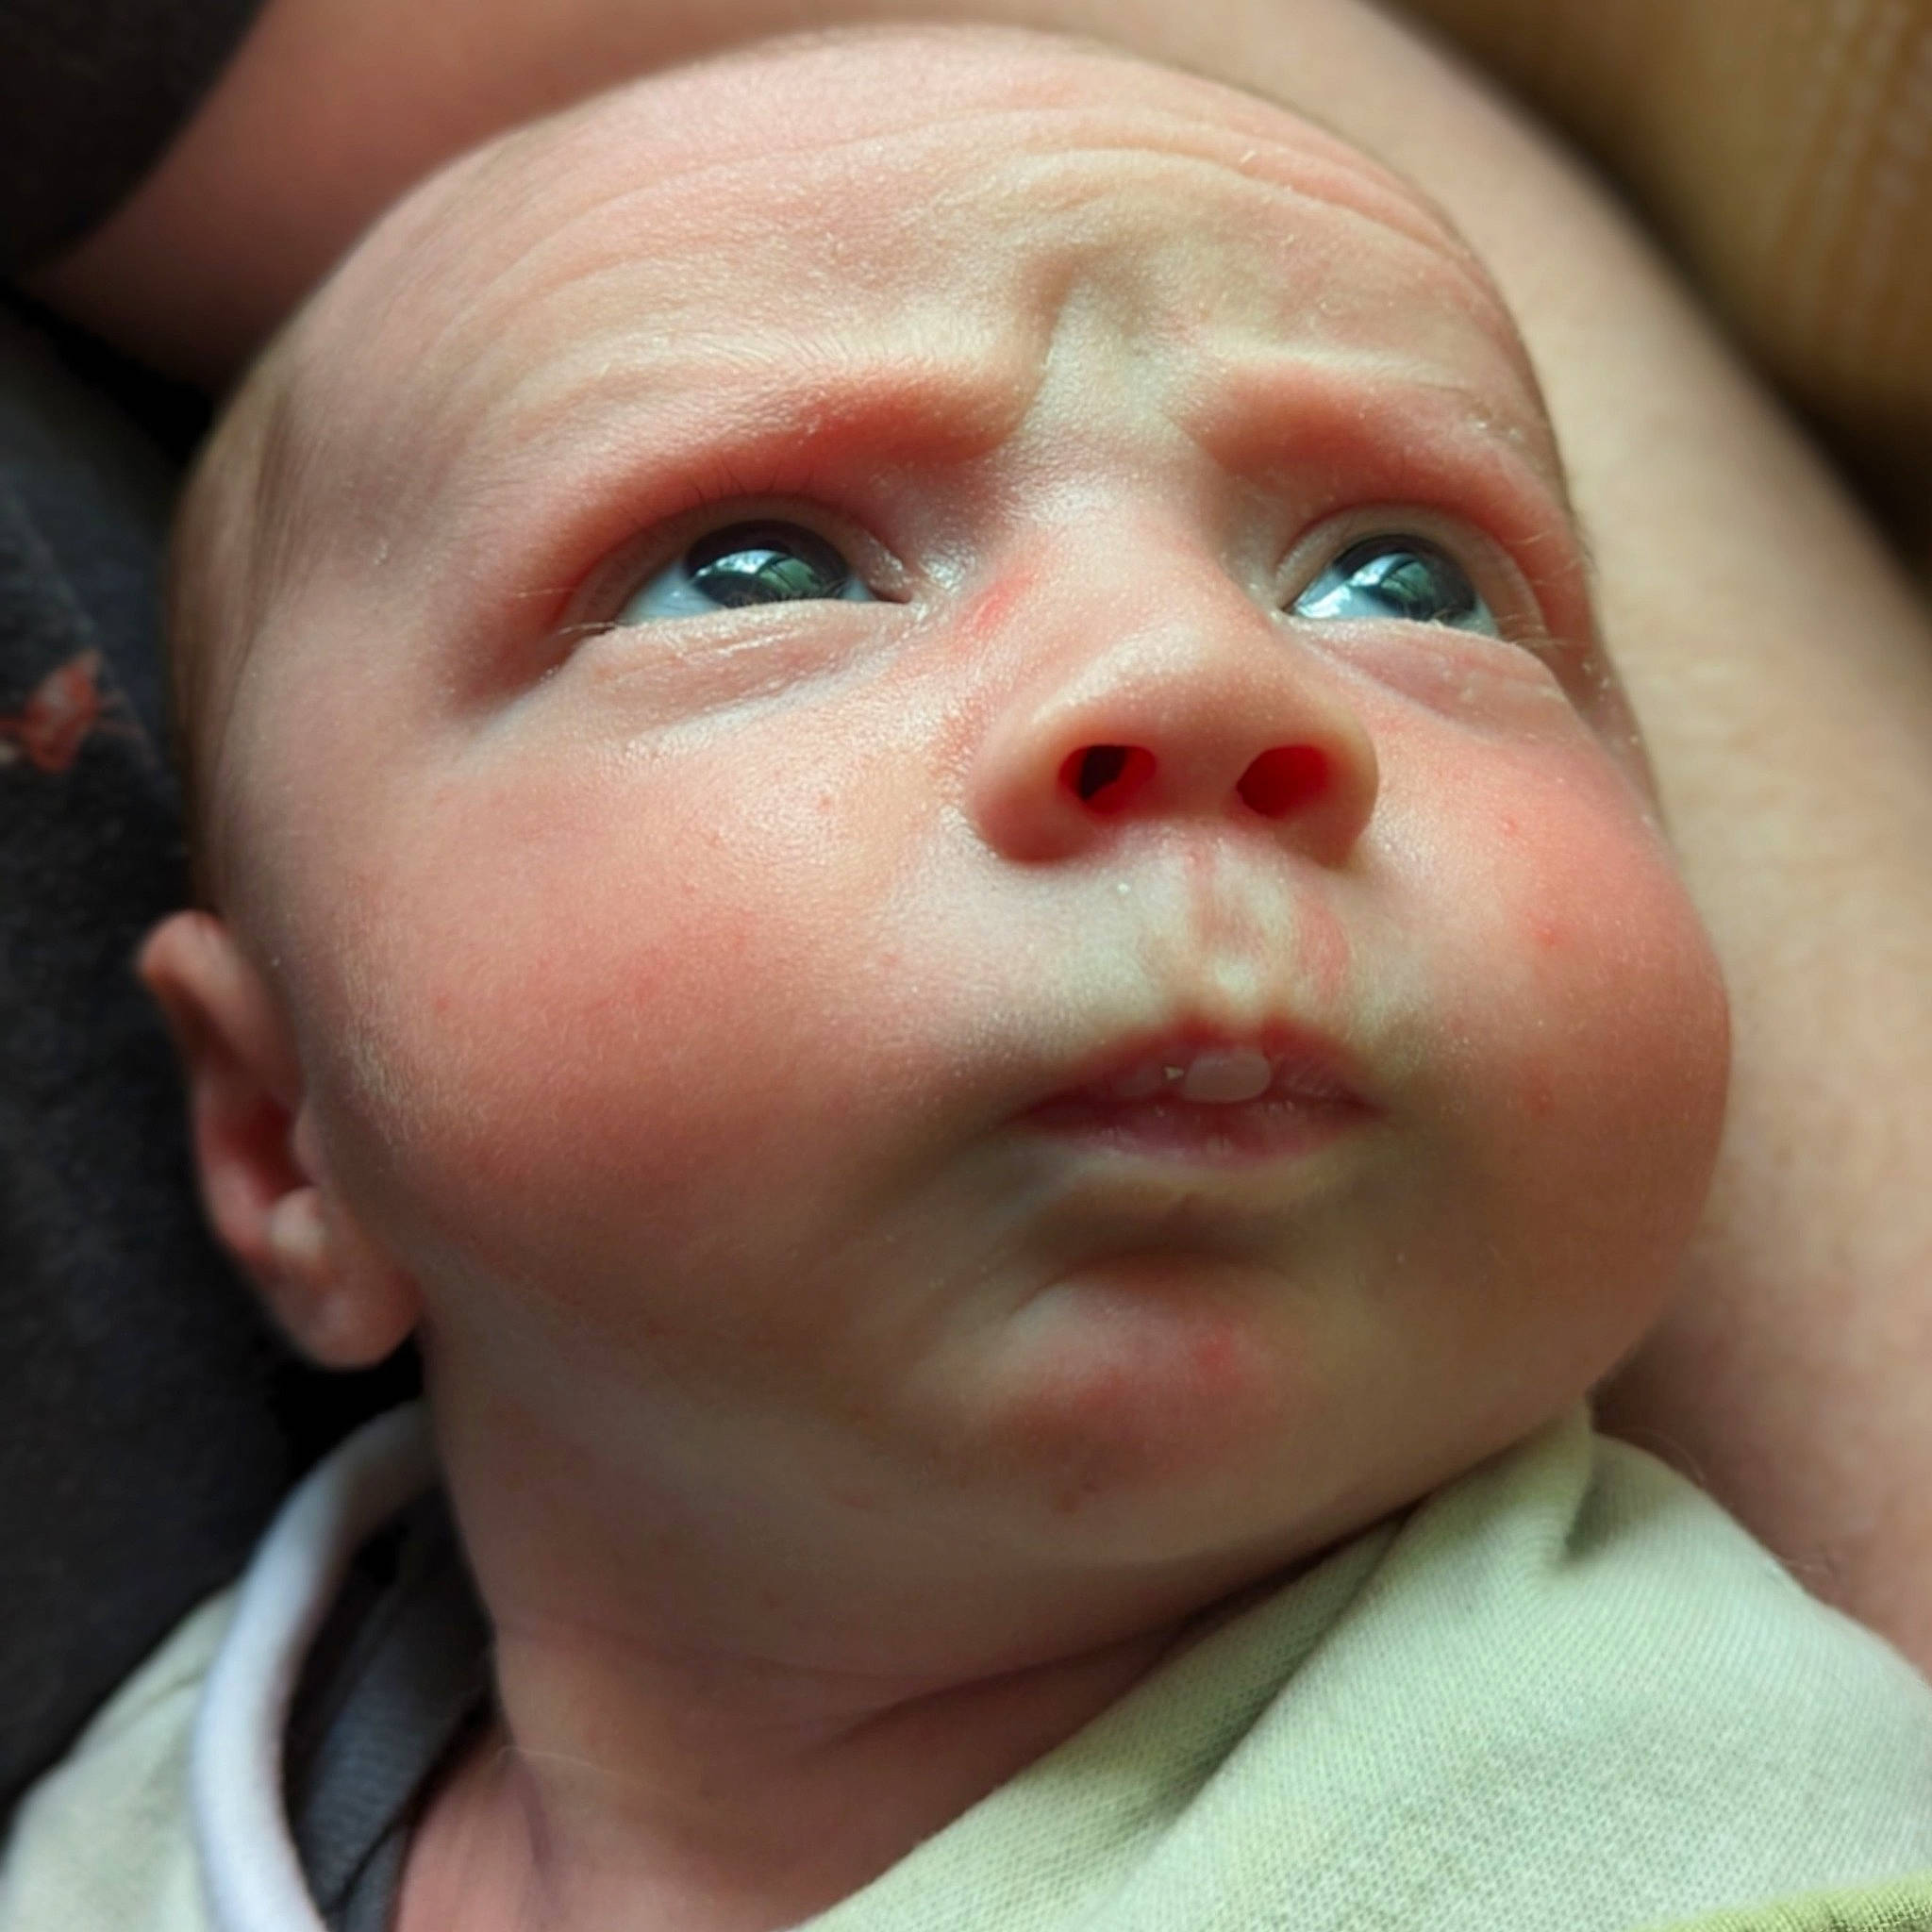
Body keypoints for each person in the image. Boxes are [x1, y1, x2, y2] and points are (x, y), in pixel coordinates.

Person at [8, 28, 1932, 1932]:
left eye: (1403, 582)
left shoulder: (1728, 1849)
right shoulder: (139, 1820)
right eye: (754, 570)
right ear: (284, 1140)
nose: (1187, 677)